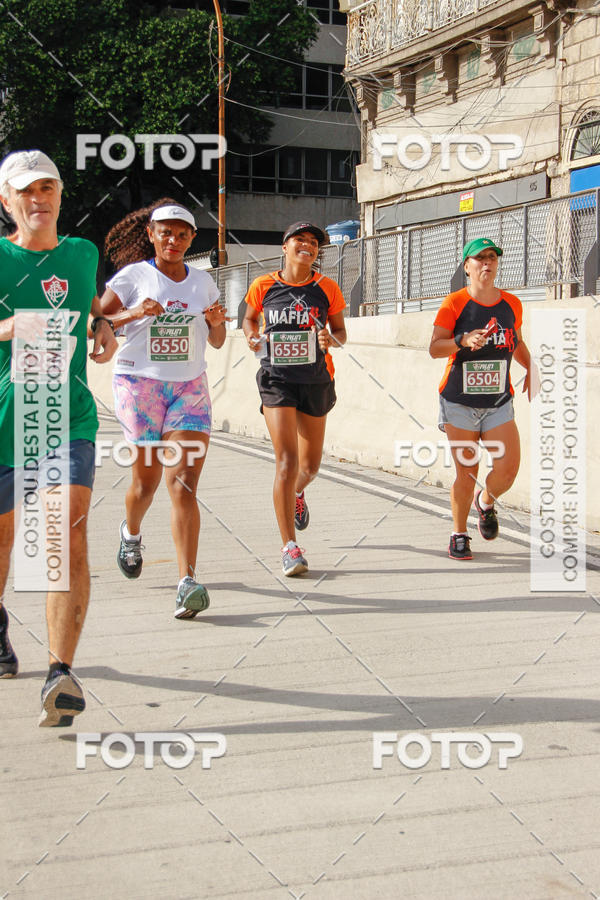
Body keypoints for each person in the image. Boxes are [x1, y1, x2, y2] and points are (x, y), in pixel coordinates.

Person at [0, 150, 117, 725]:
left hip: (63, 418)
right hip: (2, 423)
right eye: (26, 190)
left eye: (48, 187)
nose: (38, 197)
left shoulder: (82, 254)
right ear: (7, 202)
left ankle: (59, 674)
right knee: (1, 544)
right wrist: (14, 327)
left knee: (64, 535)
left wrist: (101, 325)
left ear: (61, 196)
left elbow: (84, 302)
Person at [100, 199, 227, 618]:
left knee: (184, 481)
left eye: (182, 234)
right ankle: (131, 533)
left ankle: (187, 581)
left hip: (188, 389)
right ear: (151, 235)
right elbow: (95, 322)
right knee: (146, 482)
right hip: (140, 386)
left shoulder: (204, 282)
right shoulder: (133, 276)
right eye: (165, 232)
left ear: (192, 238)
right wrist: (136, 312)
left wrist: (215, 322)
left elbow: (219, 341)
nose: (173, 240)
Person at [242, 221, 346, 576]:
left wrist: (330, 339)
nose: (308, 245)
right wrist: (252, 337)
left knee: (310, 466)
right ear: (284, 247)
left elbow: (341, 331)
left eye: (314, 242)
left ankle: (298, 493)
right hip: (277, 378)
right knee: (286, 461)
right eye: (299, 240)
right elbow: (249, 320)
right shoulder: (263, 285)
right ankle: (289, 547)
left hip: (316, 380)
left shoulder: (326, 287)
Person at [429, 237, 534, 560]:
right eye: (480, 259)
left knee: (508, 469)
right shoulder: (454, 303)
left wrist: (531, 367)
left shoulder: (511, 304)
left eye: (492, 258)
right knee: (467, 471)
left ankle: (485, 502)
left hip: (498, 401)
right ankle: (459, 534)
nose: (487, 263)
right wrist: (461, 341)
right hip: (459, 401)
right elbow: (435, 348)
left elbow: (514, 340)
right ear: (467, 266)